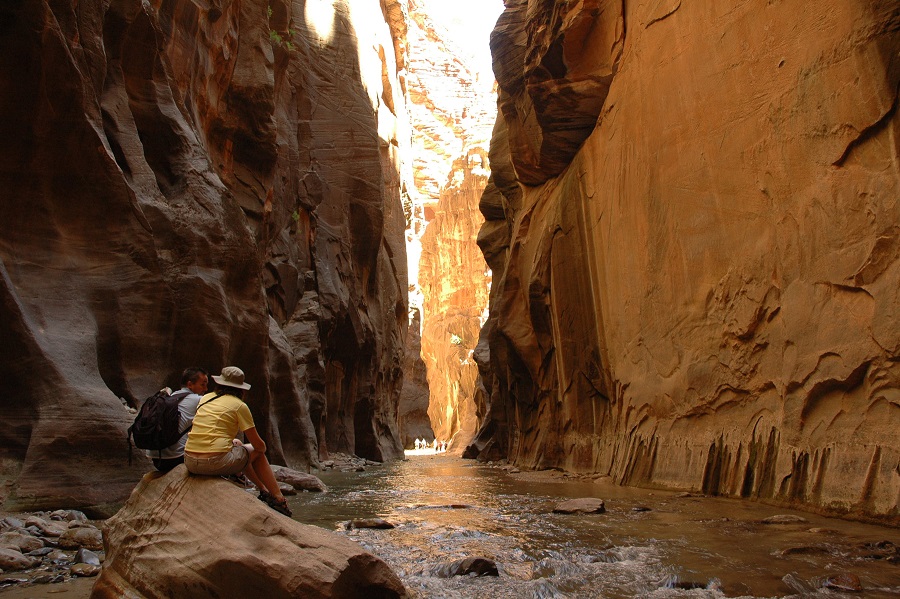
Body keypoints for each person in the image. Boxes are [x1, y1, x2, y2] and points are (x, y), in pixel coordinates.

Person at [184, 366, 292, 517]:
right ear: (241, 388)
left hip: (189, 460)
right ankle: (278, 498)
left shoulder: (206, 398)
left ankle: (263, 490)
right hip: (213, 463)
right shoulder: (239, 406)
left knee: (239, 446)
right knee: (257, 453)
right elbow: (258, 445)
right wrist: (263, 447)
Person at [148, 367, 208, 473]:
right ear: (190, 384)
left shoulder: (171, 397)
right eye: (203, 384)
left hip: (156, 459)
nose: (206, 389)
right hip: (176, 459)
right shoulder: (198, 400)